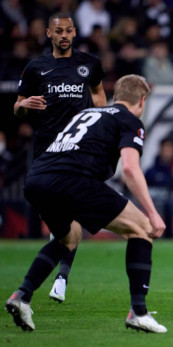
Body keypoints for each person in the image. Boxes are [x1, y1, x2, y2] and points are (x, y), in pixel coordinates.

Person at [5, 74, 168, 333]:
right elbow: (129, 168)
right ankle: (138, 312)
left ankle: (22, 296)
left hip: (37, 179)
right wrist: (153, 213)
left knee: (69, 238)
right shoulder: (129, 120)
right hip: (73, 180)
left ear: (116, 96)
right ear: (142, 100)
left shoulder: (89, 114)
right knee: (142, 228)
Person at [13, 12, 106, 304]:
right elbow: (17, 107)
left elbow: (99, 94)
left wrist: (99, 120)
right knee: (56, 220)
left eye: (68, 30)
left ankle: (61, 277)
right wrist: (24, 104)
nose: (64, 35)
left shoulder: (89, 64)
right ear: (49, 35)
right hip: (45, 150)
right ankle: (55, 273)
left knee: (71, 214)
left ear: (75, 32)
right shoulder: (36, 68)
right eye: (58, 31)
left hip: (78, 149)